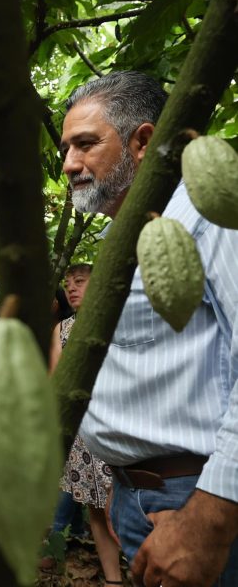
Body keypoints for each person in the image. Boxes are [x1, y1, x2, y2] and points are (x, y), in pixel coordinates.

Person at [60, 70, 238, 587]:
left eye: (86, 145)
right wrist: (124, 485)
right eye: (67, 147)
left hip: (200, 497)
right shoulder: (129, 232)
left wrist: (209, 520)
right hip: (142, 498)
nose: (69, 163)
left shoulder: (212, 212)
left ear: (142, 141)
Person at [49, 264, 122, 586]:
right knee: (94, 507)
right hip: (80, 431)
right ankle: (114, 579)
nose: (72, 288)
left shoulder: (118, 322)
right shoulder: (63, 328)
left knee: (122, 506)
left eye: (80, 282)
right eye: (68, 284)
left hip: (119, 426)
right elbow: (56, 380)